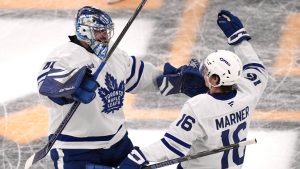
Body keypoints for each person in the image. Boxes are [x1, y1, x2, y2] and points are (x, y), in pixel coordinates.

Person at [36, 6, 206, 169]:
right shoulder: (64, 56)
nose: (104, 36)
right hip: (77, 149)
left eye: (106, 31)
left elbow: (141, 77)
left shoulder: (115, 54)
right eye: (99, 31)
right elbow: (46, 87)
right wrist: (69, 89)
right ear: (85, 31)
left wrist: (176, 81)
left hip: (118, 143)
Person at [118, 10, 268, 169]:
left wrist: (139, 157)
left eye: (207, 71)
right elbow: (257, 68)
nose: (202, 72)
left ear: (215, 79)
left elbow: (171, 146)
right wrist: (240, 39)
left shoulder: (198, 107)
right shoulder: (249, 90)